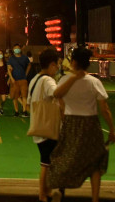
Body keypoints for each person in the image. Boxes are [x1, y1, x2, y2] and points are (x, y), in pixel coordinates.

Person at [48, 47, 115, 202]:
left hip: (71, 123)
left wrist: (73, 78)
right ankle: (95, 199)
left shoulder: (65, 80)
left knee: (63, 157)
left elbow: (57, 95)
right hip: (90, 124)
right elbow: (104, 110)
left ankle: (60, 190)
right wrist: (112, 129)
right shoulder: (94, 82)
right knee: (95, 161)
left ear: (74, 62)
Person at [28, 48, 60, 202]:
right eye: (57, 65)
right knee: (46, 163)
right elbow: (57, 93)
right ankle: (43, 194)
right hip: (47, 127)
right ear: (52, 64)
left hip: (38, 125)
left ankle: (46, 192)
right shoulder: (47, 80)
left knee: (47, 161)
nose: (58, 68)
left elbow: (28, 102)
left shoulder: (35, 79)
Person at [8, 43, 31, 117]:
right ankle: (16, 111)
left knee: (24, 96)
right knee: (15, 97)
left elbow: (29, 65)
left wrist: (26, 74)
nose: (17, 49)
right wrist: (11, 78)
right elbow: (9, 68)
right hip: (14, 80)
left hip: (23, 79)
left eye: (18, 48)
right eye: (15, 48)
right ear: (13, 50)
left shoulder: (25, 58)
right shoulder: (11, 58)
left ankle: (24, 111)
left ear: (20, 49)